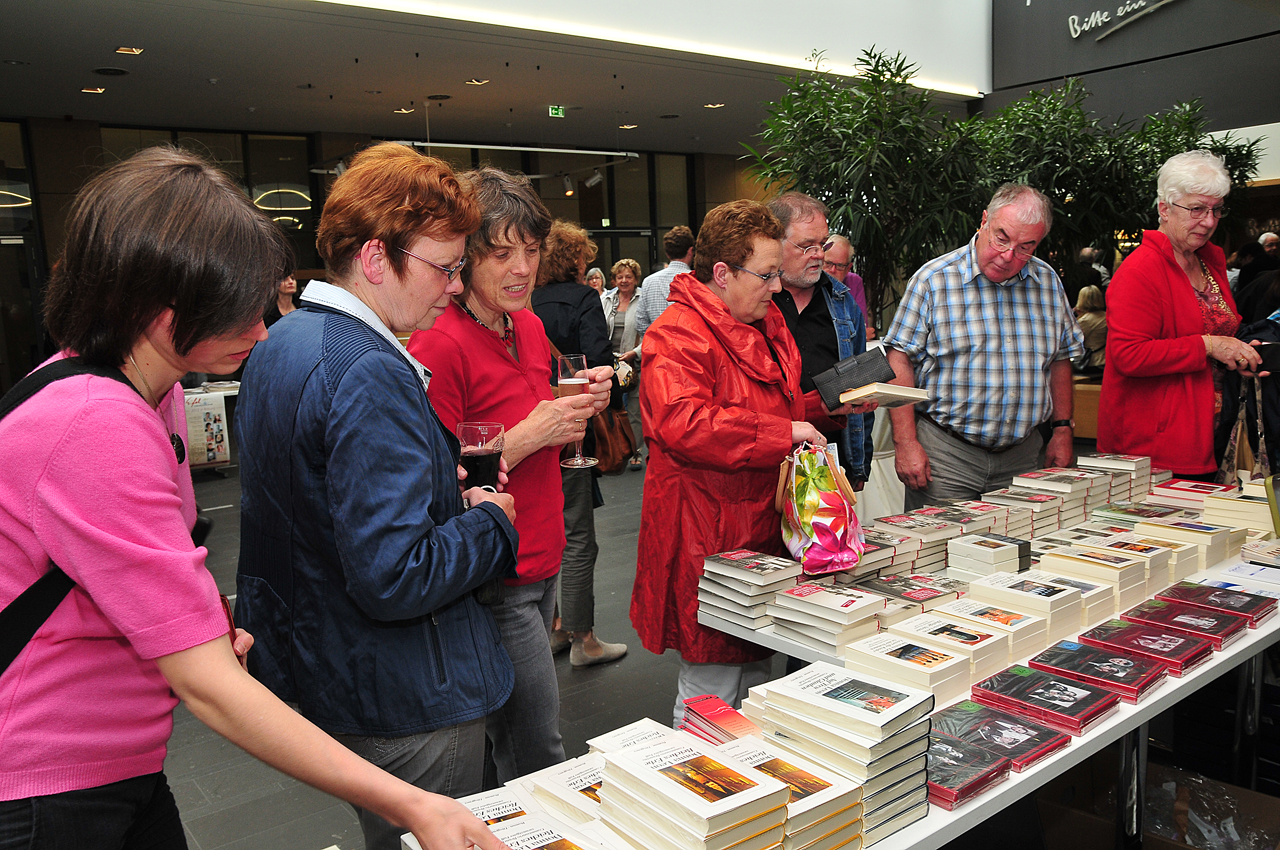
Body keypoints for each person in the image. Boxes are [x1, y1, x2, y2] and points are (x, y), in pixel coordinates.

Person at [0, 147, 505, 850]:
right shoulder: (97, 420)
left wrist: (197, 624)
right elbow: (209, 687)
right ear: (161, 303)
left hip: (114, 755)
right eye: (238, 310)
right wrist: (415, 804)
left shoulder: (154, 390)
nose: (262, 331)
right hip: (47, 775)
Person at [234, 143, 520, 850]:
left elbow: (312, 504)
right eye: (444, 267)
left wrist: (431, 484)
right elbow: (396, 574)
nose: (454, 287)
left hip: (334, 672)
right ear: (373, 259)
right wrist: (490, 523)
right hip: (410, 696)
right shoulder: (367, 369)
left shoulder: (285, 341)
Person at [408, 173, 616, 791]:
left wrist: (578, 399)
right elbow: (439, 478)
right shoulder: (437, 343)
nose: (521, 268)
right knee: (538, 749)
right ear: (464, 257)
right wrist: (534, 431)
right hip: (499, 575)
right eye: (502, 253)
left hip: (544, 551)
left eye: (530, 250)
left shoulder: (523, 324)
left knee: (515, 748)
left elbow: (529, 402)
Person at [629, 199, 825, 726]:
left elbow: (762, 408)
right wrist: (784, 431)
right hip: (706, 528)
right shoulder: (678, 331)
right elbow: (682, 422)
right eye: (766, 275)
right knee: (711, 685)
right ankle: (695, 789)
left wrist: (829, 404)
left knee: (754, 675)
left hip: (756, 521)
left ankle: (746, 791)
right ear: (722, 273)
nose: (776, 287)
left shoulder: (761, 319)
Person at [882, 183, 1086, 510]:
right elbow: (899, 359)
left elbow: (1060, 358)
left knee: (1020, 552)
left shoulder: (1046, 282)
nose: (1008, 256)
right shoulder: (934, 279)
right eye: (1001, 237)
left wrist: (1063, 429)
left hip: (1023, 456)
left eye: (1025, 247)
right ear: (984, 221)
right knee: (940, 554)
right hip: (947, 455)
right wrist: (905, 442)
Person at [1099, 149, 1261, 478]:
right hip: (1158, 445)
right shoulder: (1140, 270)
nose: (1209, 221)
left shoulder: (1209, 260)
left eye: (1216, 210)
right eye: (1197, 209)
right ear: (1164, 209)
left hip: (1214, 428)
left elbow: (1220, 333)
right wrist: (1209, 346)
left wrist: (1241, 354)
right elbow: (1129, 355)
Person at [529, 220, 627, 672]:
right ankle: (583, 638)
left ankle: (551, 626)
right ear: (575, 258)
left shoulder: (520, 302)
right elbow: (598, 364)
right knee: (578, 534)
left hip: (526, 430)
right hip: (572, 430)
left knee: (543, 524)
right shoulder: (584, 299)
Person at [766, 193, 876, 490]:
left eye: (822, 244)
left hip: (829, 460)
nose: (819, 255)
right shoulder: (755, 302)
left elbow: (858, 387)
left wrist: (859, 465)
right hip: (767, 461)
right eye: (806, 246)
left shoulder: (842, 301)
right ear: (774, 243)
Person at [600, 258, 644, 470]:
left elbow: (651, 332)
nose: (624, 280)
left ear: (636, 278)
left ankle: (635, 451)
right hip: (610, 362)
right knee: (610, 407)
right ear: (614, 279)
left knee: (634, 410)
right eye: (620, 277)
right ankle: (614, 448)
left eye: (628, 276)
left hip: (634, 362)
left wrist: (635, 353)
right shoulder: (605, 299)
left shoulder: (642, 299)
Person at [634, 225, 695, 340]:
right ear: (691, 251)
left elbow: (640, 323)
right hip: (690, 350)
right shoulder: (697, 282)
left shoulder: (649, 282)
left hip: (658, 350)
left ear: (667, 253)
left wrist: (656, 341)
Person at [823, 234, 872, 336]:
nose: (832, 270)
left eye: (840, 265)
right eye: (828, 263)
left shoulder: (854, 281)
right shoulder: (809, 283)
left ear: (848, 268)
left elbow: (863, 329)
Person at [1074, 285, 1107, 373]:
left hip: (1091, 362)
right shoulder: (1107, 316)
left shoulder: (1085, 321)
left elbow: (1073, 341)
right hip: (1105, 360)